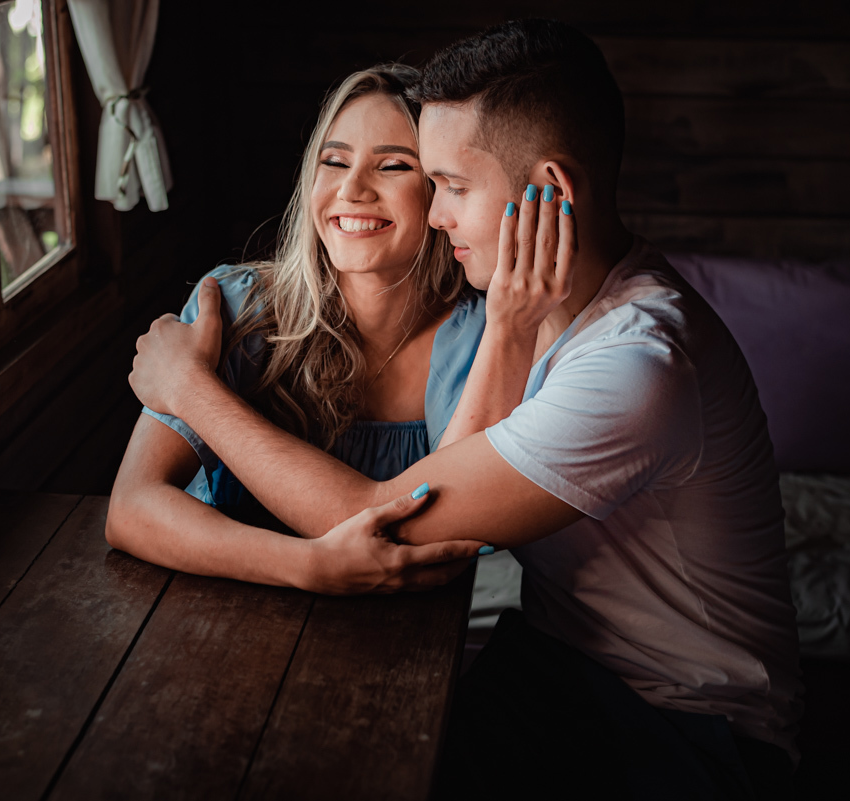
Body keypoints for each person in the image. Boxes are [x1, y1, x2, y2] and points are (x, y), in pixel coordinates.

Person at [127, 19, 802, 799]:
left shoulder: (635, 364)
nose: (437, 213)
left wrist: (188, 390)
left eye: (448, 183)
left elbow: (388, 515)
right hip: (557, 669)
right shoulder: (532, 310)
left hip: (688, 729)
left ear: (552, 190)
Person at [106, 64, 492, 592]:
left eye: (393, 166)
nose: (351, 188)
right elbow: (132, 508)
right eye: (333, 161)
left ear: (440, 193)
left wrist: (188, 385)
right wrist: (310, 565)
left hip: (408, 644)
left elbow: (432, 541)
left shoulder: (479, 338)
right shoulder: (236, 306)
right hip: (218, 619)